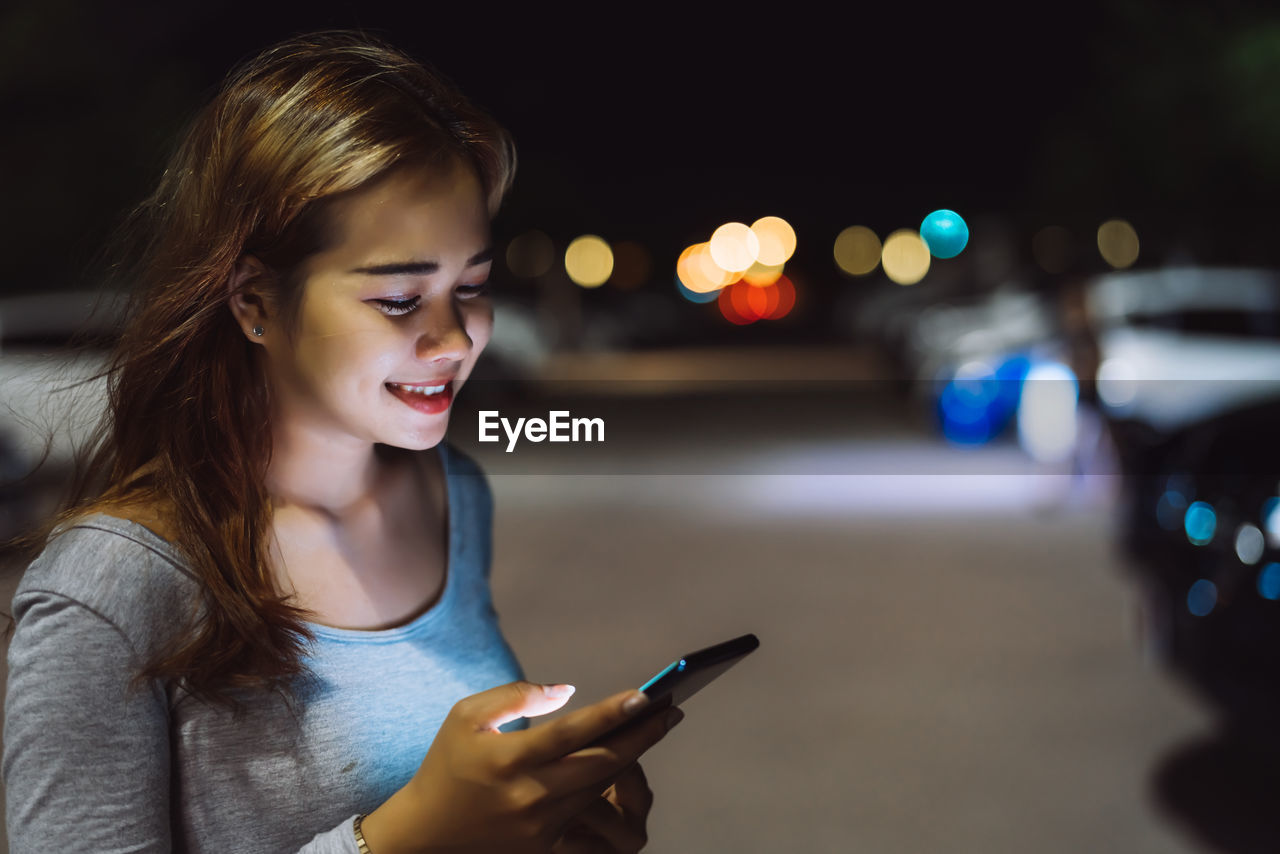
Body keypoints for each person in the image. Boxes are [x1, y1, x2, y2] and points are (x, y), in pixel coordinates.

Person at [2, 30, 678, 854]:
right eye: (399, 297)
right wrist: (399, 841)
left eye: (470, 286)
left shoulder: (450, 495)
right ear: (254, 300)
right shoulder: (111, 588)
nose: (456, 337)